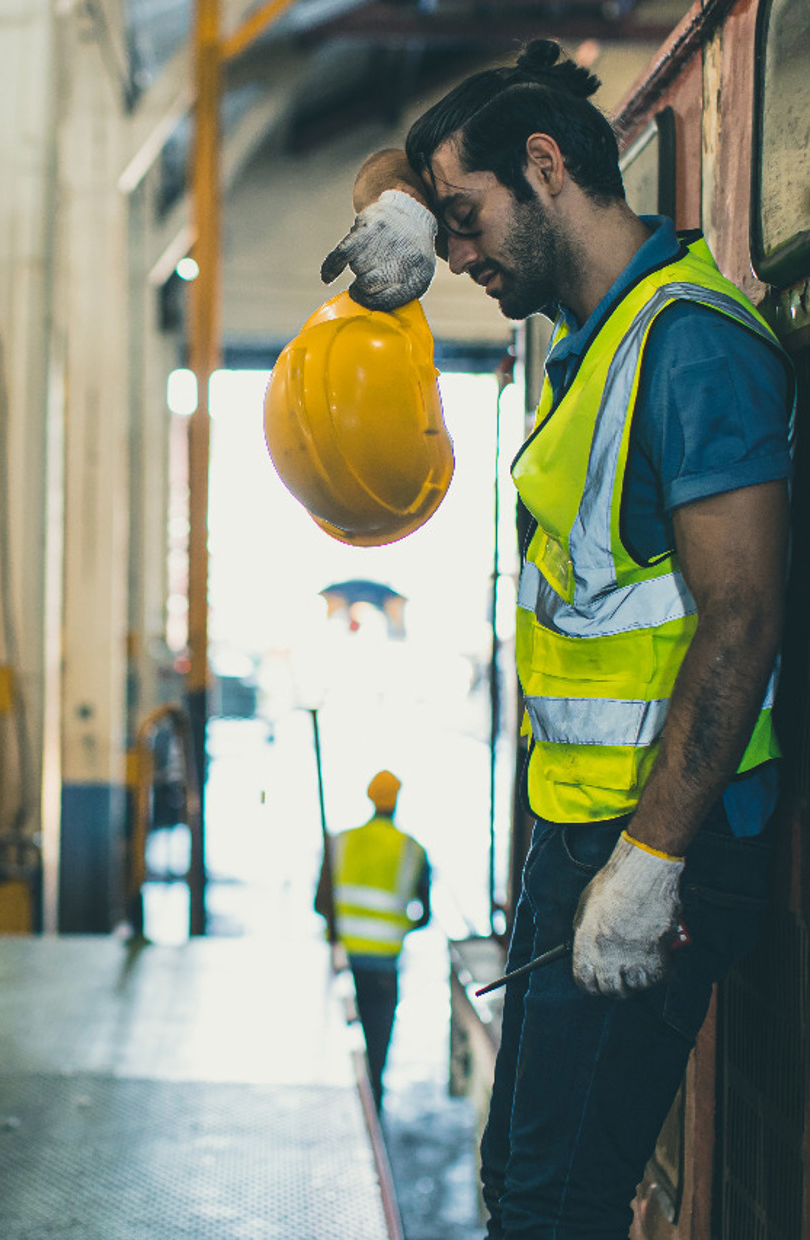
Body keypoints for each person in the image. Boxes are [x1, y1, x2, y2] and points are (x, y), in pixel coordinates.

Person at [318, 40, 794, 1238]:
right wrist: (397, 206)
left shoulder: (690, 345)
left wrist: (648, 863)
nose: (458, 256)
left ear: (546, 166)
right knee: (518, 1183)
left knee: (553, 1205)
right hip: (575, 833)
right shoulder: (598, 337)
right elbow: (415, 172)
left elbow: (742, 615)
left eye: (466, 223)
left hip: (657, 851)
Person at [316, 770, 430, 1107]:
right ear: (396, 801)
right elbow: (424, 915)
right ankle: (372, 1113)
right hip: (383, 969)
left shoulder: (340, 842)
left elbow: (320, 903)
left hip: (343, 964)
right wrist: (397, 929)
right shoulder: (412, 850)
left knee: (337, 1050)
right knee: (376, 1053)